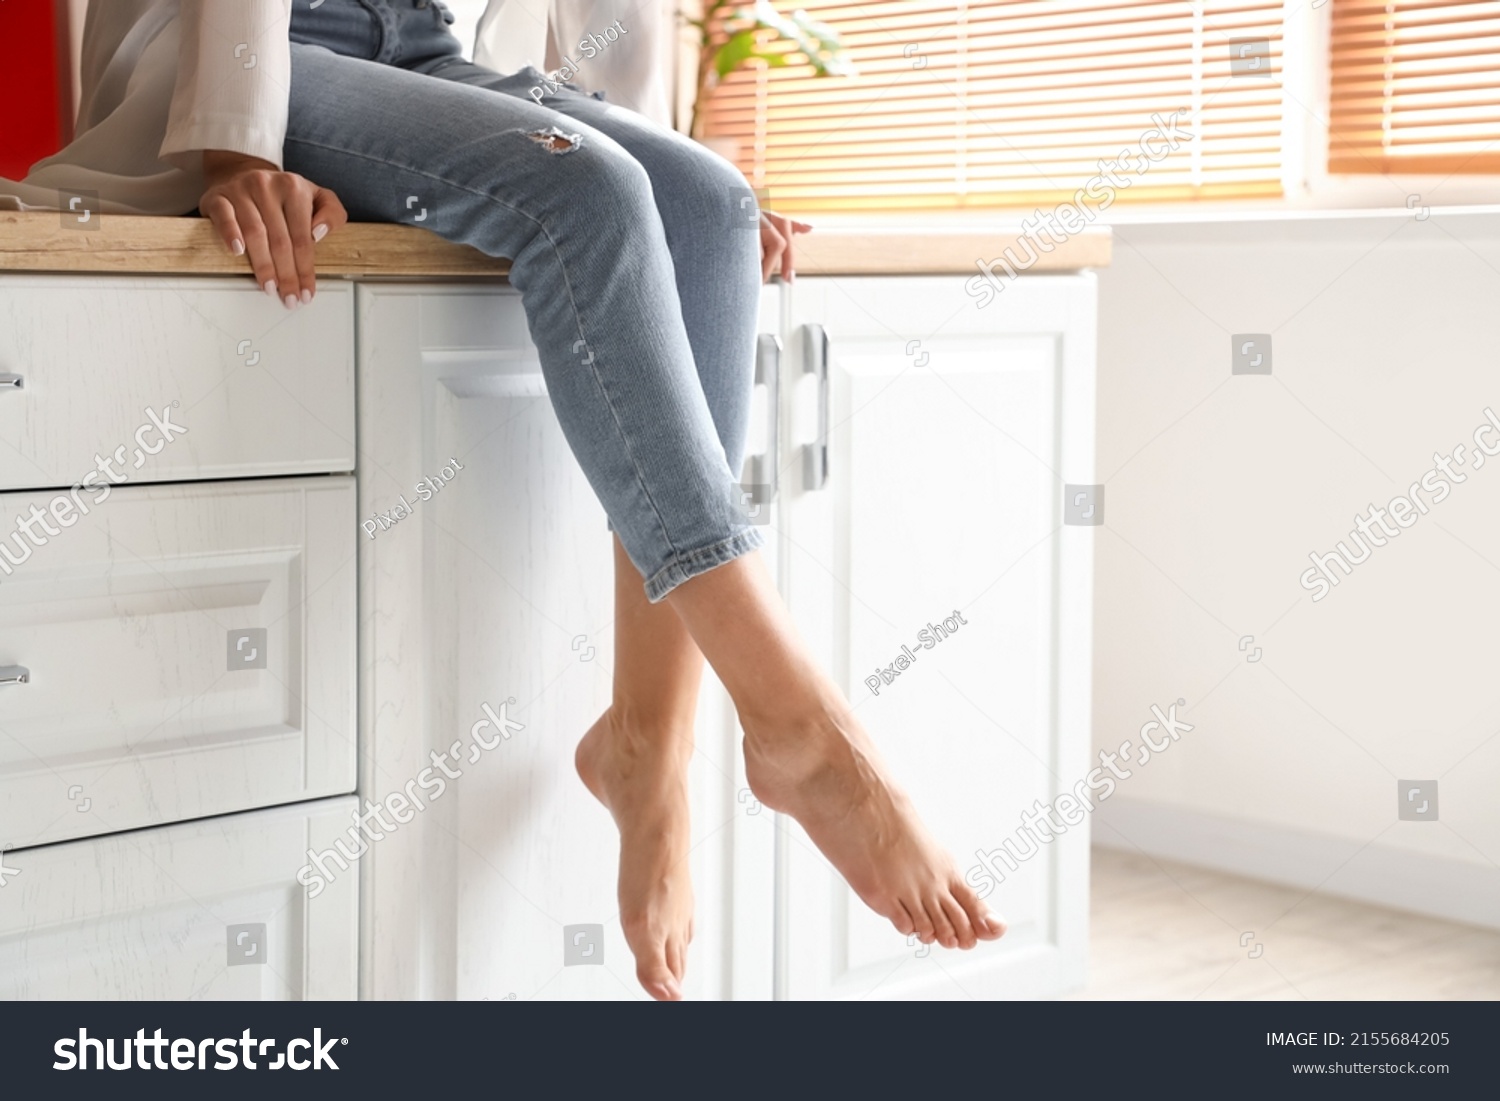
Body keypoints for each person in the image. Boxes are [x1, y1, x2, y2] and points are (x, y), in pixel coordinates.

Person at [2, 0, 1004, 1001]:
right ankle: (799, 725)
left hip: (425, 47)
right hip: (247, 47)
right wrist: (234, 143)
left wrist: (668, 194)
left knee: (707, 207)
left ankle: (647, 741)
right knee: (589, 193)